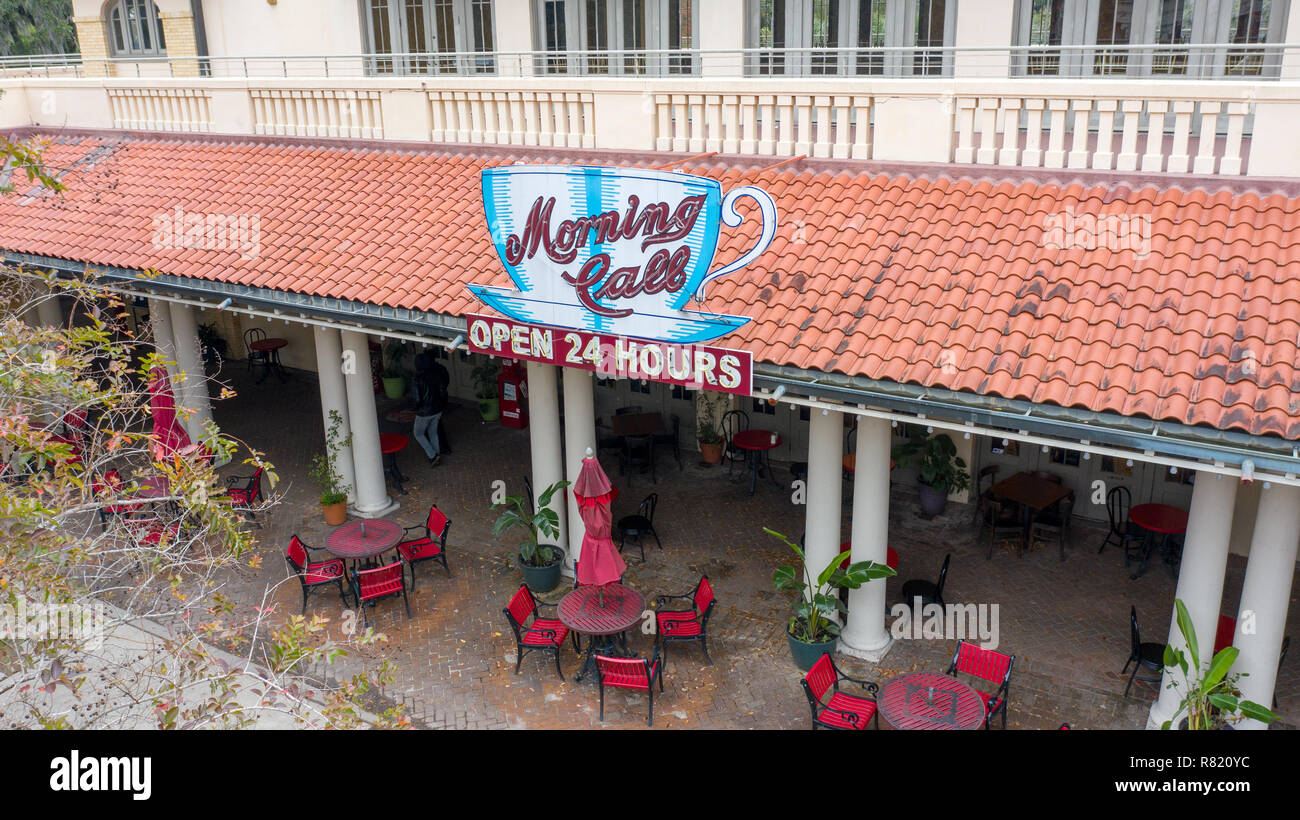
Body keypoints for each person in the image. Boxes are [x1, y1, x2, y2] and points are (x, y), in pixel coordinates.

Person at [411, 352, 449, 466]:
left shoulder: (416, 379)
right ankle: (437, 455)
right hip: (437, 409)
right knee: (433, 432)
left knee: (418, 433)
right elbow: (443, 390)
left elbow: (417, 399)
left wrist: (415, 409)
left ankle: (433, 456)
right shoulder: (436, 374)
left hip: (424, 412)